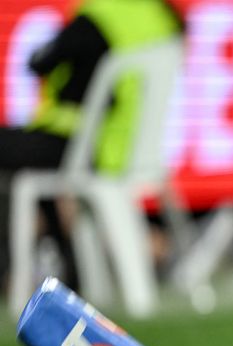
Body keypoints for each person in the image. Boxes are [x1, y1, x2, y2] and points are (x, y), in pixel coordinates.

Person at [0, 0, 184, 289]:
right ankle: (68, 264)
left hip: (89, 144)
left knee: (21, 159)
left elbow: (39, 61)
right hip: (132, 148)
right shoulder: (162, 17)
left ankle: (14, 271)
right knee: (34, 167)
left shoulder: (100, 15)